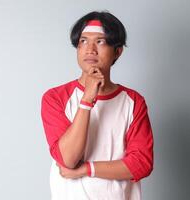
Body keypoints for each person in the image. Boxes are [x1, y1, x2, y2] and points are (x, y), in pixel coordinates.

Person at [41, 11, 154, 200]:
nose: (90, 49)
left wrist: (86, 169)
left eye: (100, 41)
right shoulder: (55, 98)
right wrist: (86, 100)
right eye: (83, 41)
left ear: (117, 51)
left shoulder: (133, 102)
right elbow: (68, 159)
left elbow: (141, 164)